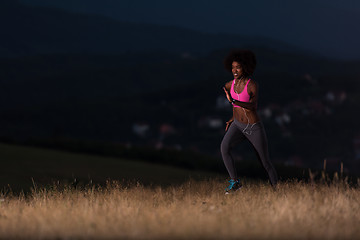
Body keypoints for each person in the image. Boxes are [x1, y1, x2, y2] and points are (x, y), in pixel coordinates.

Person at [221, 49, 278, 194]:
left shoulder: (252, 85)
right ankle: (235, 183)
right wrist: (232, 118)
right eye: (233, 67)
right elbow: (233, 102)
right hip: (237, 126)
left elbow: (252, 107)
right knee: (224, 148)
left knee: (265, 162)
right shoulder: (230, 85)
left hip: (253, 128)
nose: (235, 70)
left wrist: (233, 100)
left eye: (238, 67)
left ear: (245, 68)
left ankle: (276, 192)